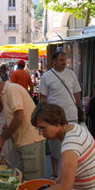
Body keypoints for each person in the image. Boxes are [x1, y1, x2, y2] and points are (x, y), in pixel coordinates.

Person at [0, 74, 46, 180]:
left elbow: (19, 117)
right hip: (24, 141)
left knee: (32, 178)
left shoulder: (11, 90)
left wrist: (2, 138)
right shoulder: (6, 93)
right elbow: (17, 116)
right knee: (23, 176)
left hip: (30, 140)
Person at [39, 51, 83, 179]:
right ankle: (55, 173)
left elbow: (76, 94)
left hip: (71, 115)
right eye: (61, 60)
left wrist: (81, 110)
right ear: (54, 61)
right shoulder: (46, 76)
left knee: (73, 146)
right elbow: (43, 98)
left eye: (65, 60)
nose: (64, 62)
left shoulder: (71, 74)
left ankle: (72, 173)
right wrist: (44, 116)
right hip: (55, 118)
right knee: (55, 148)